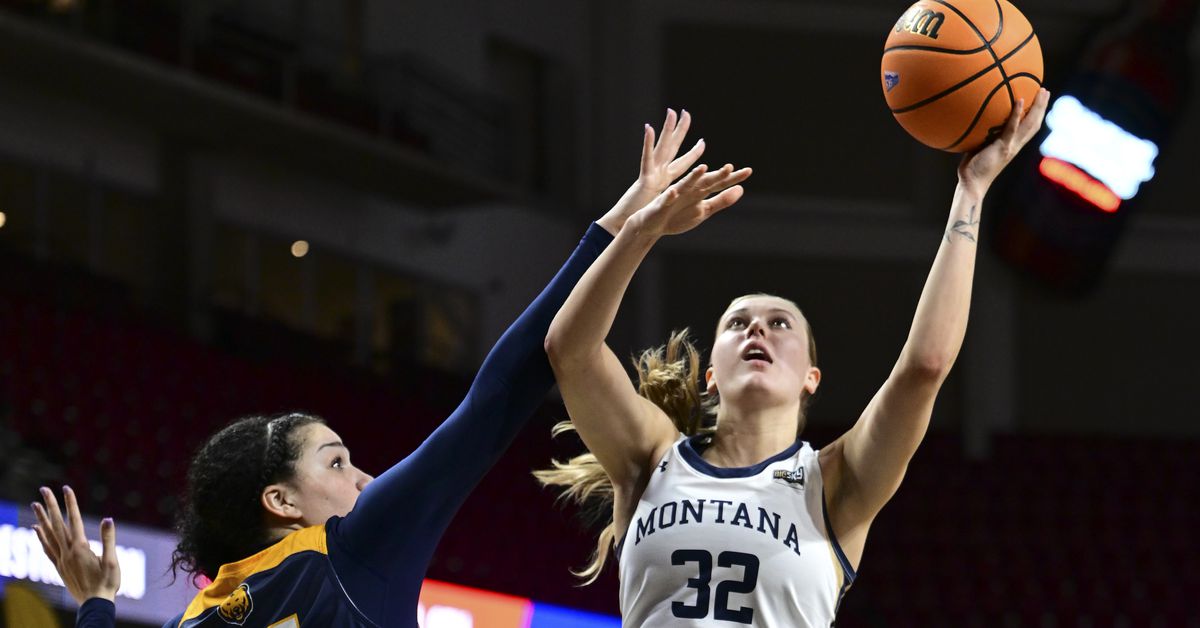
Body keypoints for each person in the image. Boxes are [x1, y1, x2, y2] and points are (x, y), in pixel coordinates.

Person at [31, 109, 735, 628]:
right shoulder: (346, 552)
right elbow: (496, 397)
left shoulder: (196, 620)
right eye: (337, 463)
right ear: (282, 503)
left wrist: (96, 603)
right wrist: (620, 232)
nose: (366, 478)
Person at [536, 91, 1051, 625]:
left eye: (780, 323)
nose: (757, 328)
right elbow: (569, 351)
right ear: (711, 375)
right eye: (737, 323)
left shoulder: (833, 482)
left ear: (811, 377)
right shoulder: (651, 457)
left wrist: (971, 191)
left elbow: (925, 367)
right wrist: (641, 230)